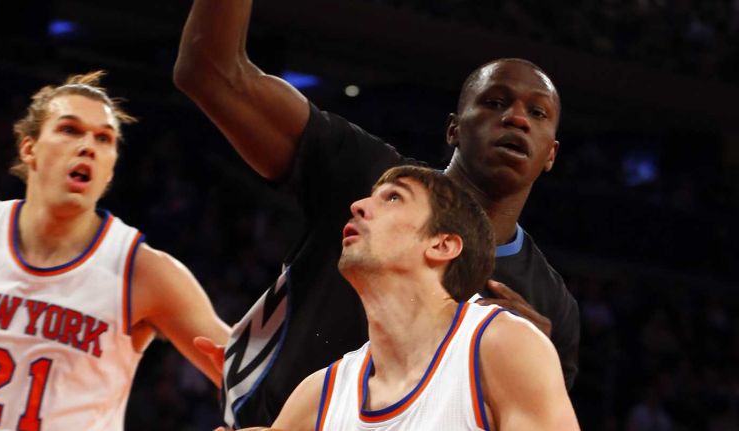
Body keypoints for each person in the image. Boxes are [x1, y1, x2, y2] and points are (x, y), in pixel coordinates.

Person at [174, 0, 579, 427]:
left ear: (552, 154)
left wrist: (536, 354)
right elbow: (211, 72)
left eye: (537, 113)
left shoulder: (545, 313)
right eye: (496, 102)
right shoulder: (368, 178)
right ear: (454, 128)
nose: (516, 118)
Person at [219, 165, 579, 430]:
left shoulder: (502, 346)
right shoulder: (319, 396)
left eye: (393, 197)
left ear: (442, 244)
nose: (358, 205)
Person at [0, 71, 230, 430]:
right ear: (29, 147)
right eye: (70, 130)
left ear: (109, 170)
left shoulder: (141, 270)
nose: (88, 146)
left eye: (104, 138)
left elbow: (252, 379)